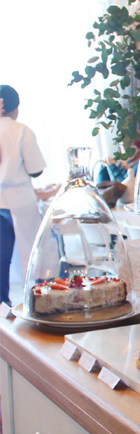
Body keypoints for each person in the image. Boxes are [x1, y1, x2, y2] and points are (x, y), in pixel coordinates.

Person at [0, 85, 47, 306]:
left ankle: (2, 307)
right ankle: (37, 304)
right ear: (16, 107)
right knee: (32, 256)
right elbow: (35, 169)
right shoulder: (21, 131)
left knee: (1, 260)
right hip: (20, 200)